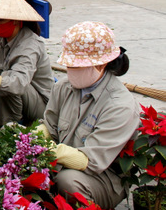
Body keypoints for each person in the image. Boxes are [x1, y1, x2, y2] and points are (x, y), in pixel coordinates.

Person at [38, 21, 139, 209]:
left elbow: (92, 162)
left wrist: (47, 150)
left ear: (101, 65)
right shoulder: (64, 87)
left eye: (76, 66)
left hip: (103, 177)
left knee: (68, 181)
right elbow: (49, 125)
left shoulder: (120, 106)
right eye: (69, 65)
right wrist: (33, 137)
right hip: (63, 162)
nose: (70, 71)